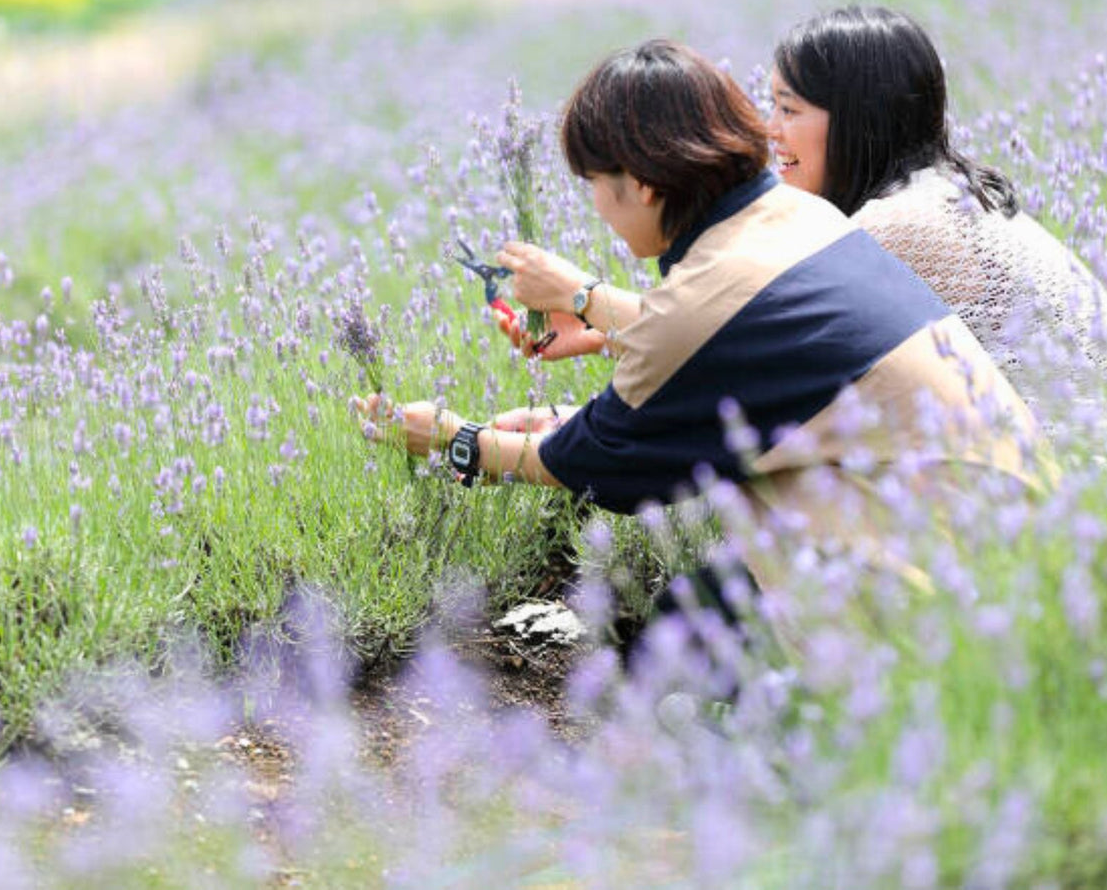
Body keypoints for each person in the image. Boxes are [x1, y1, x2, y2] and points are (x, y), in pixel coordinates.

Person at [356, 39, 1047, 592]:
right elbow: (739, 333)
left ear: (644, 185)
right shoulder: (800, 216)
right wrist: (589, 307)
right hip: (1024, 536)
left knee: (677, 645)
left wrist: (453, 440)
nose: (595, 206)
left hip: (952, 592)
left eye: (595, 185)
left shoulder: (700, 305)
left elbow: (593, 464)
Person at [495, 7, 1107, 455]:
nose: (768, 131)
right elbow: (744, 346)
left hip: (1088, 511)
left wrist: (585, 300)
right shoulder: (939, 193)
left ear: (853, 119)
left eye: (788, 109)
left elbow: (741, 357)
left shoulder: (897, 227)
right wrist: (605, 331)